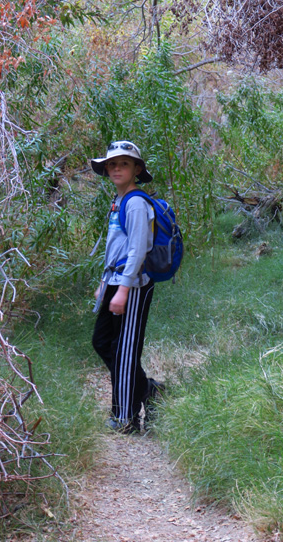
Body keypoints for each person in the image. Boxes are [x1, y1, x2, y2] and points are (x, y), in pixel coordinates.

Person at [91, 140, 162, 434]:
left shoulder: (135, 203)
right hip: (116, 281)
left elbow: (137, 251)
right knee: (102, 342)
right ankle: (149, 390)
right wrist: (104, 284)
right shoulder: (118, 202)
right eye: (112, 164)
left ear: (137, 170)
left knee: (124, 351)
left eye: (124, 163)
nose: (116, 168)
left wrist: (123, 290)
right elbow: (115, 248)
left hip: (133, 285)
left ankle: (124, 418)